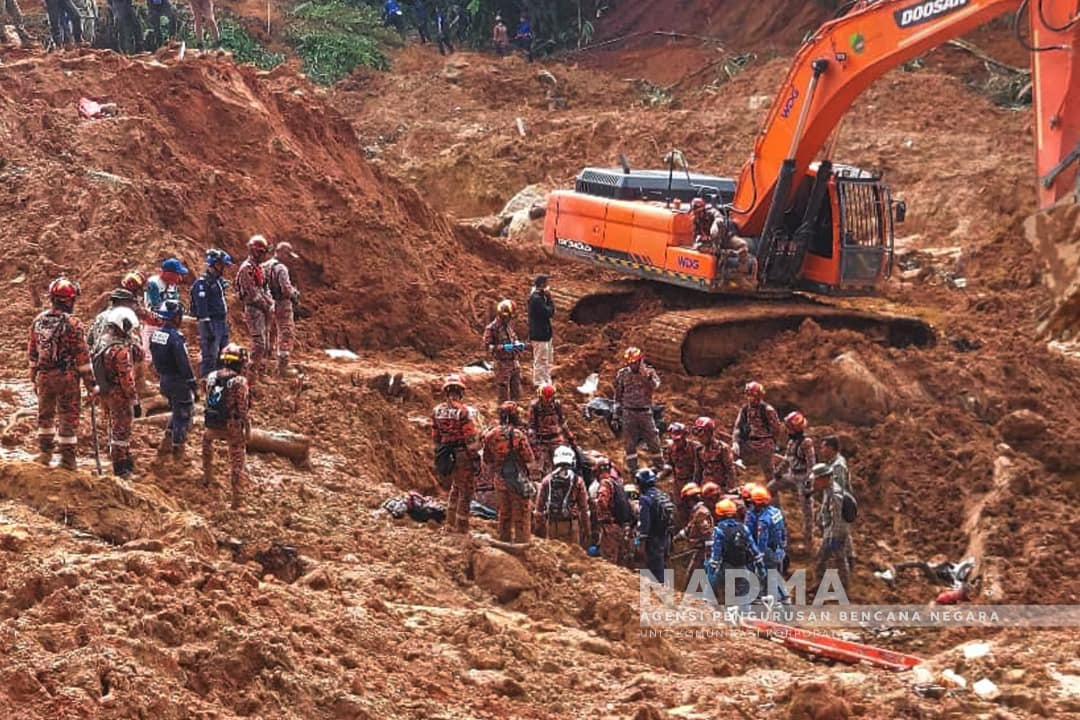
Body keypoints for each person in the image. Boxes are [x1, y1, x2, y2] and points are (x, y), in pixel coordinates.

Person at [28, 277, 96, 470]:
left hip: (44, 376)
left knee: (45, 415)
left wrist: (33, 376)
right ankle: (67, 460)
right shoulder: (74, 324)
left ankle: (45, 453)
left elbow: (32, 352)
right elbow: (82, 358)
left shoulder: (38, 321)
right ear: (70, 300)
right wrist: (91, 385)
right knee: (68, 416)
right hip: (66, 378)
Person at [92, 307, 141, 478]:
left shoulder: (103, 341)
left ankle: (123, 461)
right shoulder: (120, 351)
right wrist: (135, 401)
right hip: (119, 394)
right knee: (122, 429)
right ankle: (121, 468)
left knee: (114, 426)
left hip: (107, 392)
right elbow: (127, 379)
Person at [202, 343, 252, 510]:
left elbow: (207, 398)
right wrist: (246, 427)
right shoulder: (239, 381)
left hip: (211, 423)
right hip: (231, 426)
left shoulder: (211, 376)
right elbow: (242, 408)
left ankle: (207, 479)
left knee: (207, 445)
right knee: (237, 461)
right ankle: (238, 501)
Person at [149, 300, 197, 466]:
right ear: (176, 317)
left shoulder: (155, 335)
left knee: (176, 411)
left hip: (164, 379)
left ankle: (166, 443)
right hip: (178, 381)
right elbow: (183, 362)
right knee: (184, 414)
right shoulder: (176, 338)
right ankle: (178, 453)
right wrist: (192, 383)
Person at [482, 402, 536, 544]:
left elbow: (487, 459)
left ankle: (504, 540)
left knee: (504, 514)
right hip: (517, 481)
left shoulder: (490, 435)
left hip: (500, 479)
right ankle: (521, 543)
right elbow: (528, 458)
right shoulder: (518, 435)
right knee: (522, 515)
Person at [432, 374, 479, 531]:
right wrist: (476, 458)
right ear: (461, 392)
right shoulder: (463, 412)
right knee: (466, 490)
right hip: (462, 454)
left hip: (447, 454)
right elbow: (470, 439)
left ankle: (450, 522)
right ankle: (462, 527)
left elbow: (436, 437)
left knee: (455, 487)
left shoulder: (437, 411)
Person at [770, 410, 815, 549]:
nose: (787, 430)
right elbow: (788, 459)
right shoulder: (791, 442)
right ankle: (780, 521)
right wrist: (778, 472)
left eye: (789, 427)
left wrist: (809, 484)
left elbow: (811, 465)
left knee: (806, 508)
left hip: (802, 477)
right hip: (792, 474)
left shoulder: (806, 443)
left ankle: (808, 538)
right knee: (769, 489)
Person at [614, 346, 661, 472]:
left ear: (640, 360)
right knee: (630, 443)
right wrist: (616, 411)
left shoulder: (649, 372)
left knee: (653, 439)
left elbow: (656, 386)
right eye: (630, 363)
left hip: (645, 412)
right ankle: (633, 468)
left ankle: (659, 466)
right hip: (628, 412)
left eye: (635, 363)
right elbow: (618, 393)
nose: (632, 366)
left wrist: (646, 377)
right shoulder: (623, 374)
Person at [534, 445, 591, 547]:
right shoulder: (577, 481)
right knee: (573, 556)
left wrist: (538, 530)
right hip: (571, 525)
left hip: (552, 524)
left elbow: (539, 509)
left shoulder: (547, 480)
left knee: (555, 556)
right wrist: (587, 530)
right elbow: (584, 509)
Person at [708, 498, 761, 607]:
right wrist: (761, 567)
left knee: (713, 588)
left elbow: (716, 555)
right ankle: (746, 615)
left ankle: (709, 603)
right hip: (742, 566)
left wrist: (711, 571)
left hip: (726, 567)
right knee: (745, 595)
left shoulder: (719, 530)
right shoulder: (743, 528)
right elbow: (754, 550)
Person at [235, 235, 275, 379]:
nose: (263, 256)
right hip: (253, 309)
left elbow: (265, 288)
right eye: (261, 252)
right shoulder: (246, 269)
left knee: (266, 343)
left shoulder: (258, 268)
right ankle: (250, 373)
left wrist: (270, 303)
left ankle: (260, 373)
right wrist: (266, 305)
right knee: (259, 344)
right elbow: (252, 294)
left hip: (263, 309)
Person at [191, 248, 232, 379]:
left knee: (223, 355)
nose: (225, 269)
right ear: (216, 264)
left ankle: (220, 383)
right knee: (210, 356)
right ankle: (206, 384)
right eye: (223, 265)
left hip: (221, 322)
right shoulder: (203, 283)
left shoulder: (217, 282)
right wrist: (207, 325)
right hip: (211, 322)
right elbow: (201, 307)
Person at [732, 381, 786, 482]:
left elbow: (776, 428)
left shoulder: (767, 410)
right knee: (731, 455)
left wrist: (772, 442)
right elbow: (738, 427)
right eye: (749, 395)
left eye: (753, 396)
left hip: (765, 443)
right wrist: (735, 441)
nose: (750, 398)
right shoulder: (745, 409)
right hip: (749, 442)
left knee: (769, 472)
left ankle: (773, 494)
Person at [811, 462, 851, 593]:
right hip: (833, 531)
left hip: (836, 532)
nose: (815, 482)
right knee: (838, 559)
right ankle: (841, 586)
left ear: (824, 478)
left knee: (826, 559)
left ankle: (838, 587)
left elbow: (838, 519)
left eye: (816, 479)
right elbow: (825, 509)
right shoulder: (828, 490)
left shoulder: (835, 495)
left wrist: (833, 537)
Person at [744, 484, 788, 601]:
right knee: (777, 577)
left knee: (765, 580)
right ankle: (784, 600)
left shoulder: (763, 520)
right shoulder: (776, 512)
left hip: (768, 553)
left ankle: (773, 606)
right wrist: (783, 545)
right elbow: (783, 531)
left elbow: (762, 541)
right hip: (779, 550)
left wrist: (758, 556)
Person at [263, 241, 300, 378]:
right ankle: (283, 366)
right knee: (286, 332)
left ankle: (266, 362)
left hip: (267, 303)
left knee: (269, 331)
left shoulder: (264, 266)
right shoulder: (281, 268)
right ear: (281, 253)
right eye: (288, 255)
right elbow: (285, 288)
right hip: (281, 303)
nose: (289, 259)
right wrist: (294, 295)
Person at [819, 435, 856, 567]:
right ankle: (850, 559)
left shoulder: (837, 466)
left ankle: (845, 564)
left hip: (838, 505)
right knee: (844, 533)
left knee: (837, 532)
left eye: (823, 447)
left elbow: (836, 492)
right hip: (839, 502)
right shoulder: (833, 462)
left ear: (830, 448)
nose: (821, 451)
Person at [143, 258, 188, 359]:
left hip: (169, 326)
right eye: (177, 274)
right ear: (168, 273)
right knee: (150, 357)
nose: (179, 278)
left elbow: (175, 303)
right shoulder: (153, 283)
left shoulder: (173, 285)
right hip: (154, 324)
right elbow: (155, 305)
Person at [526, 383, 574, 476]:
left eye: (550, 398)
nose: (548, 400)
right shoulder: (535, 407)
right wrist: (533, 442)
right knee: (539, 468)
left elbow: (562, 422)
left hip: (556, 439)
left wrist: (570, 436)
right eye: (546, 398)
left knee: (560, 465)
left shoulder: (557, 405)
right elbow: (531, 426)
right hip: (541, 440)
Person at [483, 299, 526, 401]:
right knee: (503, 396)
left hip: (514, 362)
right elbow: (488, 347)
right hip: (502, 364)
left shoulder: (508, 327)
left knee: (516, 392)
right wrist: (504, 347)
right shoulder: (492, 328)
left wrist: (517, 344)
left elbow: (513, 338)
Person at [673, 483, 713, 589]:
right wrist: (678, 537)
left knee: (691, 580)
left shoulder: (701, 513)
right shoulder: (698, 511)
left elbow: (707, 533)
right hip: (699, 549)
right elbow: (690, 528)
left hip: (702, 551)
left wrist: (707, 551)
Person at [635, 467, 671, 583]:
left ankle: (660, 593)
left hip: (653, 538)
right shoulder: (663, 495)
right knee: (663, 565)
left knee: (655, 569)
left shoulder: (645, 499)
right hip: (666, 536)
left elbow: (644, 523)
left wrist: (641, 544)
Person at [593, 455, 627, 564]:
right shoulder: (617, 482)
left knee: (609, 562)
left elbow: (602, 501)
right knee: (620, 562)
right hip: (620, 526)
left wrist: (596, 506)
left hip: (609, 527)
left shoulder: (605, 483)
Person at [692, 416, 737, 491]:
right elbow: (698, 472)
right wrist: (695, 487)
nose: (700, 439)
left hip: (720, 488)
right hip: (705, 488)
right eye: (699, 437)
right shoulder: (699, 450)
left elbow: (730, 470)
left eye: (702, 436)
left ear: (710, 433)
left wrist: (730, 488)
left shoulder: (722, 448)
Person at [527, 274, 555, 387]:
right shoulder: (536, 299)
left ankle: (546, 381)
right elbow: (549, 312)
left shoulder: (538, 297)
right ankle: (539, 382)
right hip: (539, 334)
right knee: (541, 360)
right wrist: (549, 299)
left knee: (547, 360)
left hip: (545, 334)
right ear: (543, 284)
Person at [658, 421, 698, 490]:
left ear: (684, 437)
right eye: (674, 440)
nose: (677, 443)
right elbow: (669, 464)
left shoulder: (695, 448)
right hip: (678, 482)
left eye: (679, 440)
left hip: (692, 481)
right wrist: (659, 476)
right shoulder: (671, 448)